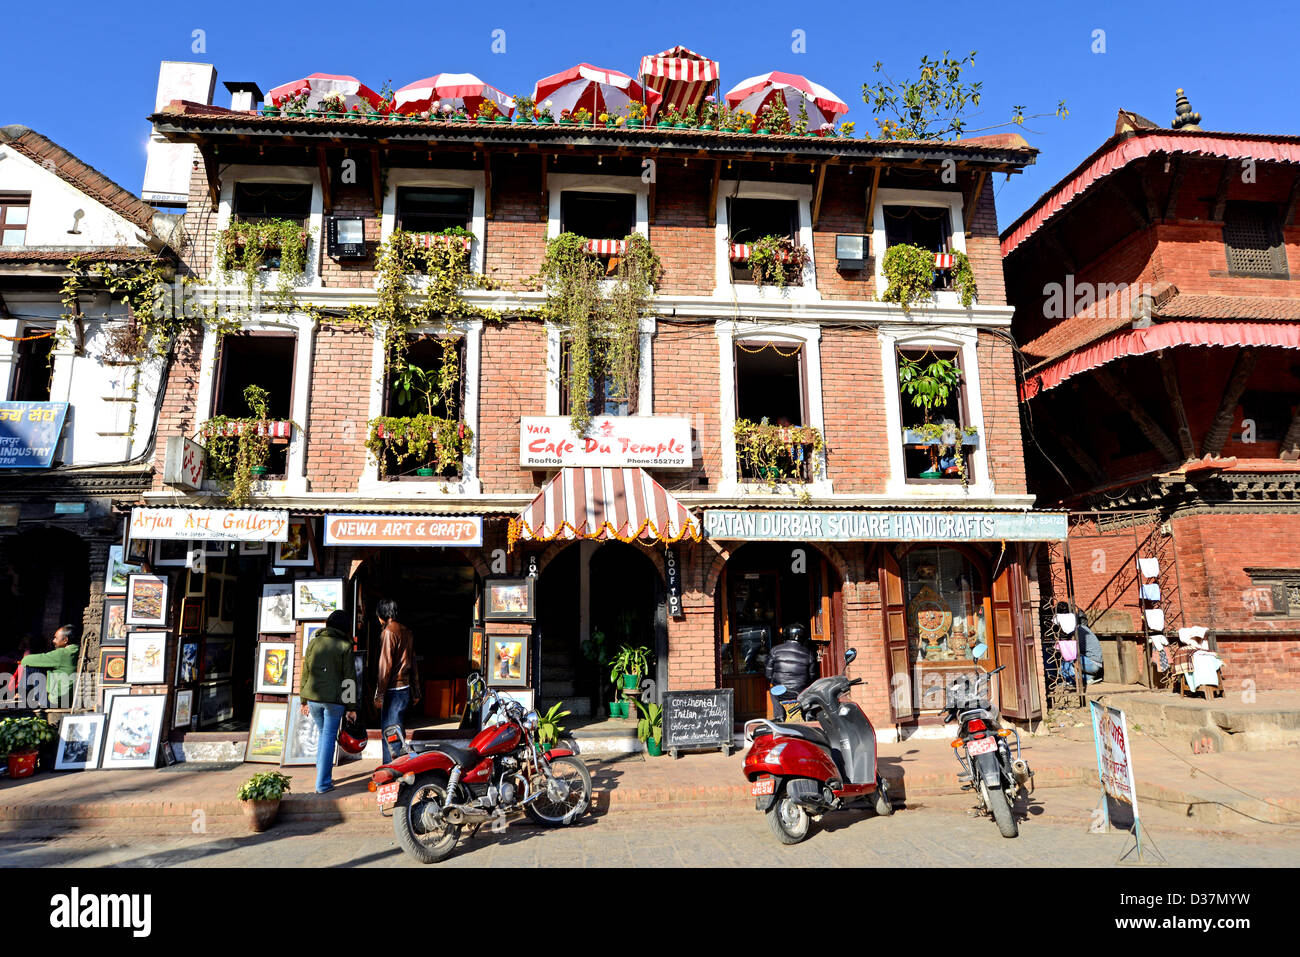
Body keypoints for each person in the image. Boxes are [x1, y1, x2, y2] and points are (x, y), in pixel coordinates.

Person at [298, 610, 356, 794]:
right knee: (328, 738)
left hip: (313, 698)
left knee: (324, 736)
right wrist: (351, 707)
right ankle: (322, 783)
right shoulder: (345, 645)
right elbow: (349, 678)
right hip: (334, 701)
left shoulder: (314, 642)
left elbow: (305, 672)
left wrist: (303, 700)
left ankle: (322, 776)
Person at [374, 599, 421, 763]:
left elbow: (385, 665)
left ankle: (391, 771)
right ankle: (398, 769)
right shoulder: (406, 631)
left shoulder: (388, 632)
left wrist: (379, 694)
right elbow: (413, 662)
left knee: (390, 734)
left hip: (393, 689)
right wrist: (416, 691)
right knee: (397, 732)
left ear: (382, 614)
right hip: (405, 688)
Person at [765, 623, 819, 720]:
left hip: (781, 692)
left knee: (772, 691)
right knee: (811, 690)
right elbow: (812, 677)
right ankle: (808, 715)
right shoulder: (808, 653)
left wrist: (776, 682)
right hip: (800, 692)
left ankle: (779, 716)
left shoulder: (775, 650)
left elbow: (768, 675)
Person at [21, 626, 79, 709]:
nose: (53, 641)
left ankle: (24, 696)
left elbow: (26, 660)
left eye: (55, 638)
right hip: (69, 701)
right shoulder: (77, 651)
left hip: (53, 702)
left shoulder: (62, 653)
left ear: (65, 640)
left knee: (31, 667)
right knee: (45, 667)